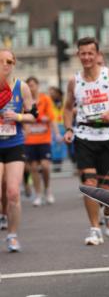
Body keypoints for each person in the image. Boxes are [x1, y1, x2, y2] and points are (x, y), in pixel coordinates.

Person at [63, 37, 109, 245]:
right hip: (85, 136)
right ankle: (94, 229)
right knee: (89, 184)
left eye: (90, 53)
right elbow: (68, 107)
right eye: (83, 53)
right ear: (78, 55)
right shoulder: (74, 81)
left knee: (107, 189)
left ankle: (107, 212)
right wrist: (69, 128)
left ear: (97, 55)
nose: (86, 57)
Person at [0, 49, 36, 251]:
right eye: (2, 61)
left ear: (14, 64)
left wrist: (18, 117)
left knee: (13, 192)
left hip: (14, 144)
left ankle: (12, 235)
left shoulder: (21, 87)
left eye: (10, 61)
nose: (6, 65)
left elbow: (33, 115)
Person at [24, 77, 61, 206]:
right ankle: (38, 194)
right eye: (28, 85)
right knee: (33, 168)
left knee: (45, 166)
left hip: (44, 138)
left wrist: (57, 134)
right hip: (30, 139)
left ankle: (47, 189)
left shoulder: (45, 99)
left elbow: (51, 118)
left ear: (38, 86)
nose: (30, 87)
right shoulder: (25, 102)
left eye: (32, 85)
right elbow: (24, 118)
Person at [49, 86, 68, 172]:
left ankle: (59, 163)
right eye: (50, 93)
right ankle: (55, 163)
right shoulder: (49, 102)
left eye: (53, 93)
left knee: (61, 146)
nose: (51, 94)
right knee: (53, 146)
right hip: (53, 125)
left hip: (62, 125)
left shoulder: (64, 102)